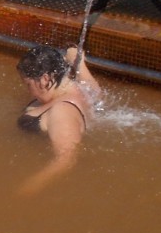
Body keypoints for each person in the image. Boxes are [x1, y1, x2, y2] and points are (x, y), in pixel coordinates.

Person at [15, 45, 102, 195]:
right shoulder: (82, 91)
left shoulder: (62, 111)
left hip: (34, 178)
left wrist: (29, 186)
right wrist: (79, 64)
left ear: (45, 79)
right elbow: (97, 93)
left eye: (28, 84)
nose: (28, 91)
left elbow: (66, 160)